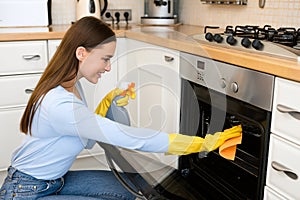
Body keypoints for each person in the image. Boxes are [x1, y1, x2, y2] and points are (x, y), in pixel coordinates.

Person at [0, 16, 242, 200]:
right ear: (81, 53)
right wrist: (197, 143)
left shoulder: (72, 87)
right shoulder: (59, 103)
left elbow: (85, 139)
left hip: (55, 180)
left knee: (132, 189)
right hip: (26, 191)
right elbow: (129, 138)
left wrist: (107, 104)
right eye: (105, 59)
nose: (107, 68)